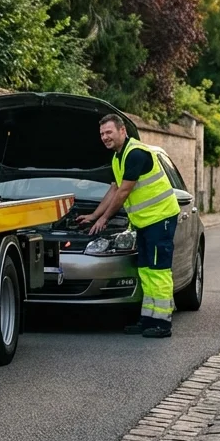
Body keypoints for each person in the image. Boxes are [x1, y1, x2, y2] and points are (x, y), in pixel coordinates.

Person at [75, 114, 181, 338]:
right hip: (144, 222)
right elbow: (114, 189)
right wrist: (94, 215)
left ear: (122, 131)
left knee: (158, 271)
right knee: (145, 270)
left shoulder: (136, 154)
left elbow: (124, 192)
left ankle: (163, 323)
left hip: (160, 219)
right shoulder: (117, 158)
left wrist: (105, 219)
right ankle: (148, 320)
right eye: (102, 134)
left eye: (109, 132)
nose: (105, 137)